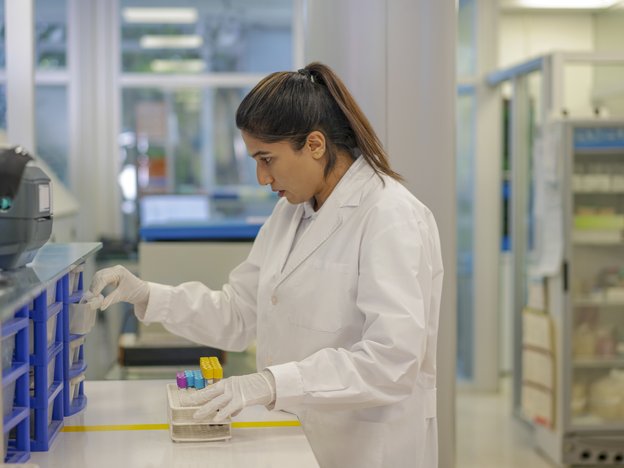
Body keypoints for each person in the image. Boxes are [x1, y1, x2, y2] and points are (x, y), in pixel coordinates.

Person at [88, 62, 443, 468]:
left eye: (267, 159)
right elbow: (239, 313)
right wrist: (149, 295)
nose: (261, 177)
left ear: (315, 145)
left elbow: (392, 359)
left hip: (369, 447)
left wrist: (271, 383)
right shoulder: (289, 214)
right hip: (297, 439)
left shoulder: (389, 215)